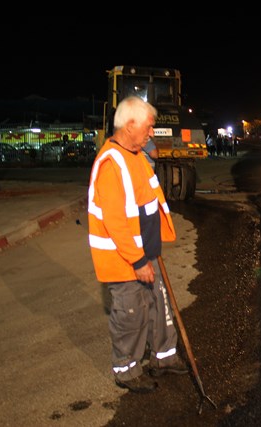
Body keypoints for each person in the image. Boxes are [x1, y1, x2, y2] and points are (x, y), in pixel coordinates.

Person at [87, 96, 188, 394]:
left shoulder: (135, 155)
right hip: (125, 259)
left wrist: (154, 248)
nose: (151, 132)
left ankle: (164, 358)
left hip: (146, 252)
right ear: (129, 124)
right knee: (131, 314)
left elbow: (146, 203)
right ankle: (127, 370)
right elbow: (115, 222)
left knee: (159, 307)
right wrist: (139, 260)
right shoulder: (111, 163)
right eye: (148, 127)